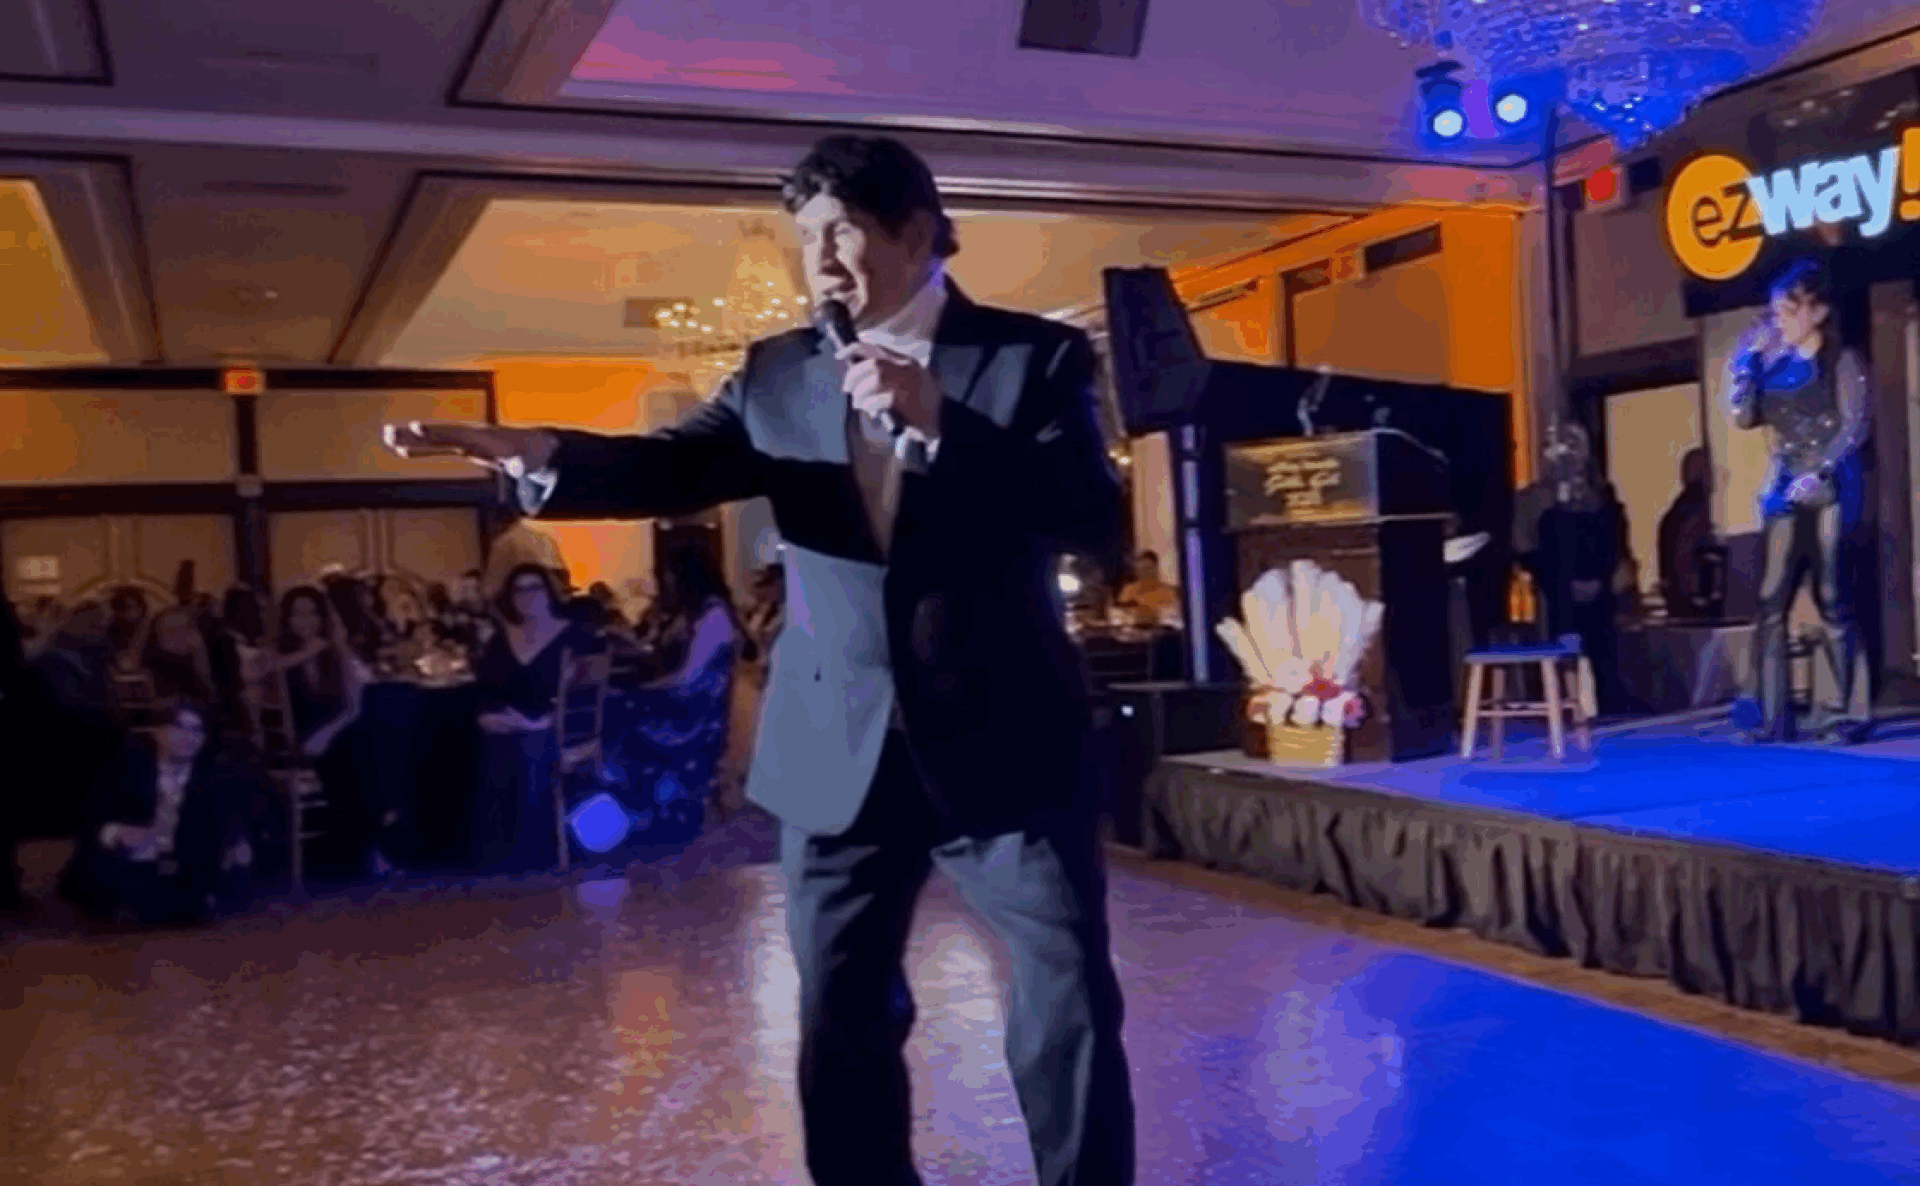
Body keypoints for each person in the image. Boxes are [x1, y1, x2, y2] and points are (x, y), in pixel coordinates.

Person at [387, 133, 1134, 1186]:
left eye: (843, 231)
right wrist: (538, 456)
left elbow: (1093, 517)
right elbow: (670, 465)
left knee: (1070, 999)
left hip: (1006, 740)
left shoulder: (1035, 358)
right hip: (834, 746)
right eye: (805, 236)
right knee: (840, 1014)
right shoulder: (779, 371)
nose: (818, 259)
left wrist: (945, 424)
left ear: (917, 232)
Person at [1727, 258, 1873, 744]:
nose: (1780, 322)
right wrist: (1747, 363)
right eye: (1776, 313)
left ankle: (1845, 713)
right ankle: (1772, 714)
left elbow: (1855, 425)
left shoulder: (1842, 361)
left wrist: (1821, 470)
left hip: (1831, 486)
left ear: (1817, 312)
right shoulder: (1776, 367)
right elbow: (1744, 418)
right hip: (1785, 485)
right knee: (1770, 600)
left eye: (1788, 312)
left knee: (1833, 597)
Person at [56, 698, 254, 927]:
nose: (188, 737)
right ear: (158, 732)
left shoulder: (215, 777)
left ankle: (147, 909)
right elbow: (93, 815)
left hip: (184, 860)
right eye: (179, 727)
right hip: (136, 856)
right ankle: (154, 909)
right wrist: (118, 832)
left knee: (199, 876)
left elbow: (221, 829)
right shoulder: (129, 768)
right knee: (98, 866)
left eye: (196, 731)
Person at [469, 563, 594, 875]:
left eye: (534, 588)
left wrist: (540, 721)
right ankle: (496, 849)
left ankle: (533, 849)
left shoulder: (574, 635)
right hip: (510, 719)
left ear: (549, 592)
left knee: (529, 743)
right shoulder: (501, 639)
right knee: (485, 740)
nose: (527, 596)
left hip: (556, 725)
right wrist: (490, 716)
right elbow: (486, 688)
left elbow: (580, 694)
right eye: (519, 590)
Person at [1657, 448, 1726, 621]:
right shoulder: (1696, 510)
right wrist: (1700, 598)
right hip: (1696, 608)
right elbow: (1686, 557)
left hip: (1683, 603)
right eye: (1710, 469)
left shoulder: (1677, 513)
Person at [1114, 550, 1179, 625]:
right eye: (1140, 570)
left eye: (1147, 568)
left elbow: (1171, 615)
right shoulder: (1129, 589)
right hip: (1133, 628)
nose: (1144, 573)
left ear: (1156, 569)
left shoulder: (1167, 591)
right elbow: (1119, 612)